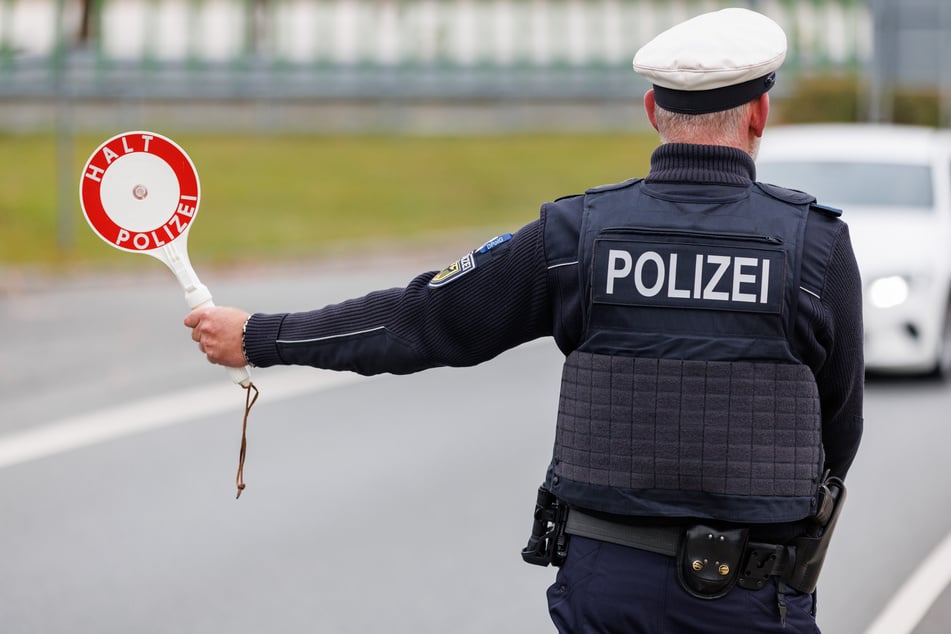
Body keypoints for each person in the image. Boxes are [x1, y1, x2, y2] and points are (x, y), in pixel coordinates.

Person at [185, 7, 863, 633]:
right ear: (760, 113)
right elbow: (838, 427)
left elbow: (421, 320)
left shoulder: (574, 235)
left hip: (606, 588)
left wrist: (258, 335)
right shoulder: (816, 247)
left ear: (652, 109)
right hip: (749, 591)